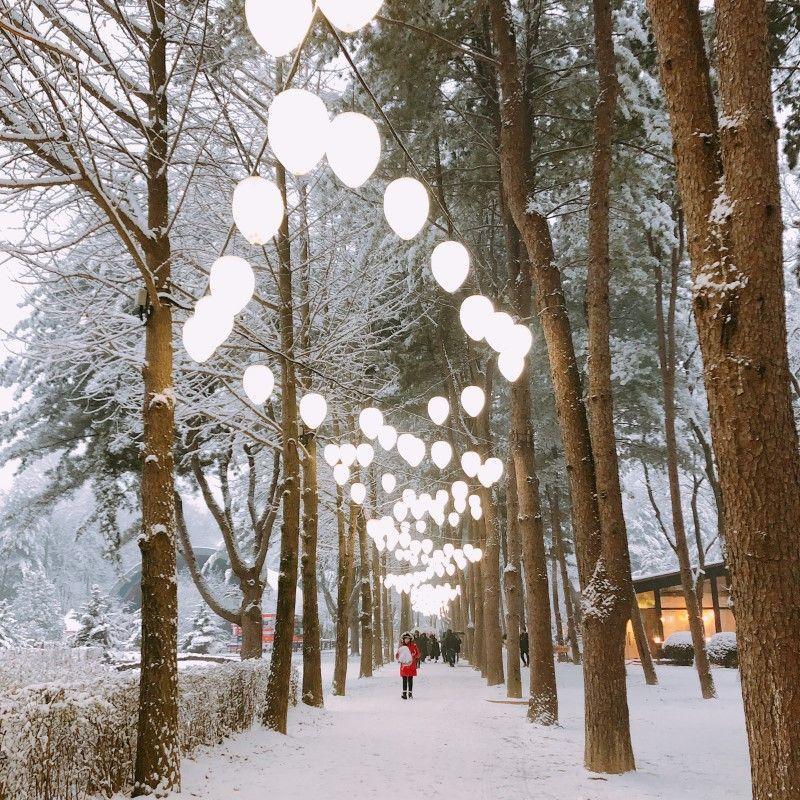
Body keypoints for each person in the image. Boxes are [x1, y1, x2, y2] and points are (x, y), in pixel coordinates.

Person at [396, 631, 420, 699]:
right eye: (405, 639)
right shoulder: (401, 647)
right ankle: (404, 693)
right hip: (404, 666)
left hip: (411, 665)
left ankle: (410, 693)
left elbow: (418, 654)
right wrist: (399, 658)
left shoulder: (413, 646)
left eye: (408, 639)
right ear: (403, 639)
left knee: (410, 678)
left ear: (410, 639)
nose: (407, 640)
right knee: (404, 679)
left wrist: (414, 655)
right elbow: (397, 656)